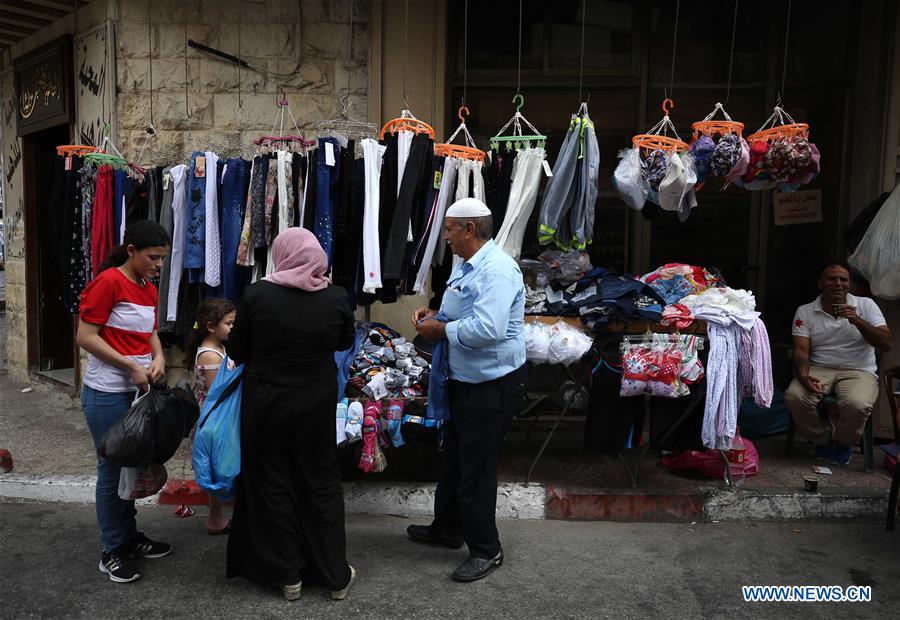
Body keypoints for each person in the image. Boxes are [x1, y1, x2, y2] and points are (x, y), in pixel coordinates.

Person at [225, 227, 357, 602]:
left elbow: (237, 349)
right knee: (321, 482)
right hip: (315, 400)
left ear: (281, 254)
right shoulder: (335, 297)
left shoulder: (257, 295)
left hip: (266, 400)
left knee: (271, 480)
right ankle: (334, 576)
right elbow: (345, 341)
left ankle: (288, 575)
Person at [408, 197, 526, 583]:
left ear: (469, 230)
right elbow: (464, 314)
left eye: (449, 229)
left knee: (475, 469)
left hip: (489, 385)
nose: (445, 237)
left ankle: (486, 549)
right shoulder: (469, 265)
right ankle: (448, 528)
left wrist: (439, 330)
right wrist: (435, 315)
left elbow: (487, 330)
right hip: (464, 380)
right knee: (455, 460)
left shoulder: (497, 271)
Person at [75, 220, 173, 584]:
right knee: (112, 469)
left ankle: (129, 539)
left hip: (136, 392)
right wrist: (131, 365)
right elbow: (85, 336)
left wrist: (158, 357)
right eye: (153, 257)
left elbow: (148, 330)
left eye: (163, 258)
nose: (159, 265)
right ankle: (113, 549)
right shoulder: (108, 283)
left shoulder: (146, 286)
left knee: (131, 467)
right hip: (107, 393)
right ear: (131, 251)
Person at [785, 263, 893, 466]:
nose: (838, 284)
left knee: (858, 404)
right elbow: (800, 351)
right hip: (820, 368)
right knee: (795, 396)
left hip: (859, 370)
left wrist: (858, 321)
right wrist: (803, 376)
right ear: (820, 284)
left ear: (849, 285)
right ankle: (824, 439)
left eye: (843, 279)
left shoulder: (866, 305)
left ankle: (843, 443)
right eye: (831, 278)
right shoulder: (805, 311)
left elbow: (886, 343)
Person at [184, 298, 237, 535]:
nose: (232, 327)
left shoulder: (218, 348)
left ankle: (216, 519)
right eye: (228, 323)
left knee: (219, 466)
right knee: (220, 466)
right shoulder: (210, 356)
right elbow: (219, 393)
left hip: (216, 416)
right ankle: (216, 519)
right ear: (210, 326)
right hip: (216, 418)